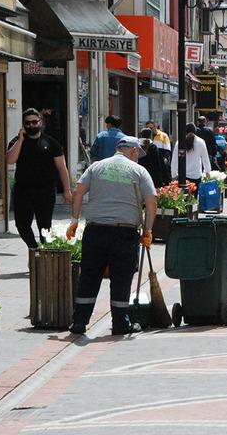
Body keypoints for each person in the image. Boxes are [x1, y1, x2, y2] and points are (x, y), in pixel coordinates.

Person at [66, 136, 157, 336]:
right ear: (133, 151)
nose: (138, 158)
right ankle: (120, 323)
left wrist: (74, 220)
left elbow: (78, 192)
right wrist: (148, 230)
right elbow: (151, 202)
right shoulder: (139, 171)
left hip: (95, 230)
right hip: (124, 232)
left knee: (89, 276)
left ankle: (79, 322)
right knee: (121, 277)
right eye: (138, 154)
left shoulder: (96, 167)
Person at [7, 109, 72, 249]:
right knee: (22, 225)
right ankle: (34, 249)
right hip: (23, 191)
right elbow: (10, 160)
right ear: (23, 125)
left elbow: (62, 167)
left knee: (44, 226)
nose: (31, 126)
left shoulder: (51, 142)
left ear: (40, 122)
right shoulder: (17, 141)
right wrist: (20, 140)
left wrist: (67, 190)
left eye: (34, 122)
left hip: (46, 191)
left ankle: (44, 256)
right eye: (27, 123)